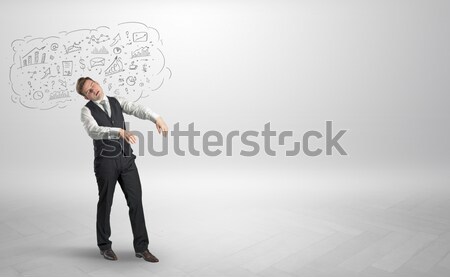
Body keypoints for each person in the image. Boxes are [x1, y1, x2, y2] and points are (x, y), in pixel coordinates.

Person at [76, 77, 168, 262]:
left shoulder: (116, 100)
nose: (93, 90)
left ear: (97, 83)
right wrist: (118, 131)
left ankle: (142, 248)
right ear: (85, 96)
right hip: (106, 163)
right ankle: (104, 246)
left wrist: (156, 117)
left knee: (136, 202)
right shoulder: (86, 111)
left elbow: (136, 108)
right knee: (106, 202)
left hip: (126, 160)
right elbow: (93, 131)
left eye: (93, 85)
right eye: (88, 91)